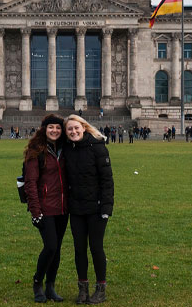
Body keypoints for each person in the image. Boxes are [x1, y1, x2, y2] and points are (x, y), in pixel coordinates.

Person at [63, 114, 114, 304]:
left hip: (97, 208)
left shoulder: (98, 148)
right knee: (79, 249)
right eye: (70, 129)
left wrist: (106, 208)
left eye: (76, 128)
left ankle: (101, 289)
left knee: (96, 247)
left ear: (84, 127)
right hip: (76, 208)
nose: (74, 131)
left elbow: (107, 181)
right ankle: (82, 289)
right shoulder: (67, 148)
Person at [24, 114, 68, 303]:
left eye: (58, 128)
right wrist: (35, 211)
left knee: (56, 249)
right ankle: (37, 282)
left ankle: (50, 286)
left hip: (62, 207)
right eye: (51, 127)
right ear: (44, 129)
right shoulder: (36, 150)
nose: (54, 131)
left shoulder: (66, 149)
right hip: (44, 207)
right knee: (50, 246)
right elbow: (30, 182)